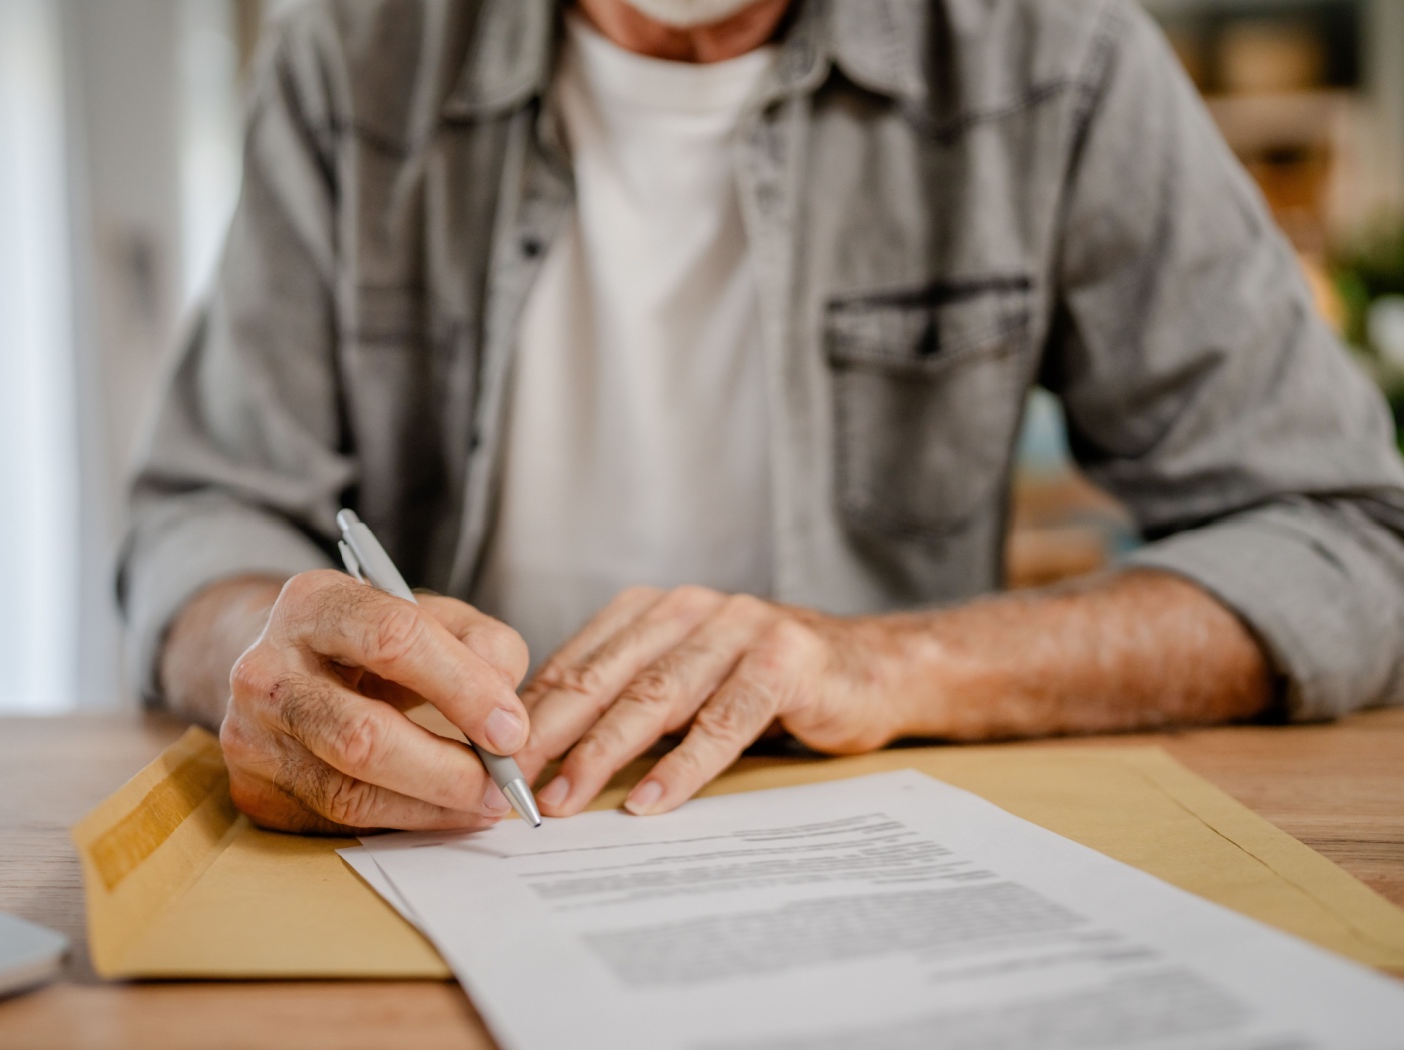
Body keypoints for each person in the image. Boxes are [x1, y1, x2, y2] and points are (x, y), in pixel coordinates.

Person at [120, 0, 1404, 835]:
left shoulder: (1055, 56)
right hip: (456, 851)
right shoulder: (349, 58)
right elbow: (201, 513)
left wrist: (889, 664)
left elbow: (1350, 536)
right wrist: (273, 650)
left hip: (878, 862)